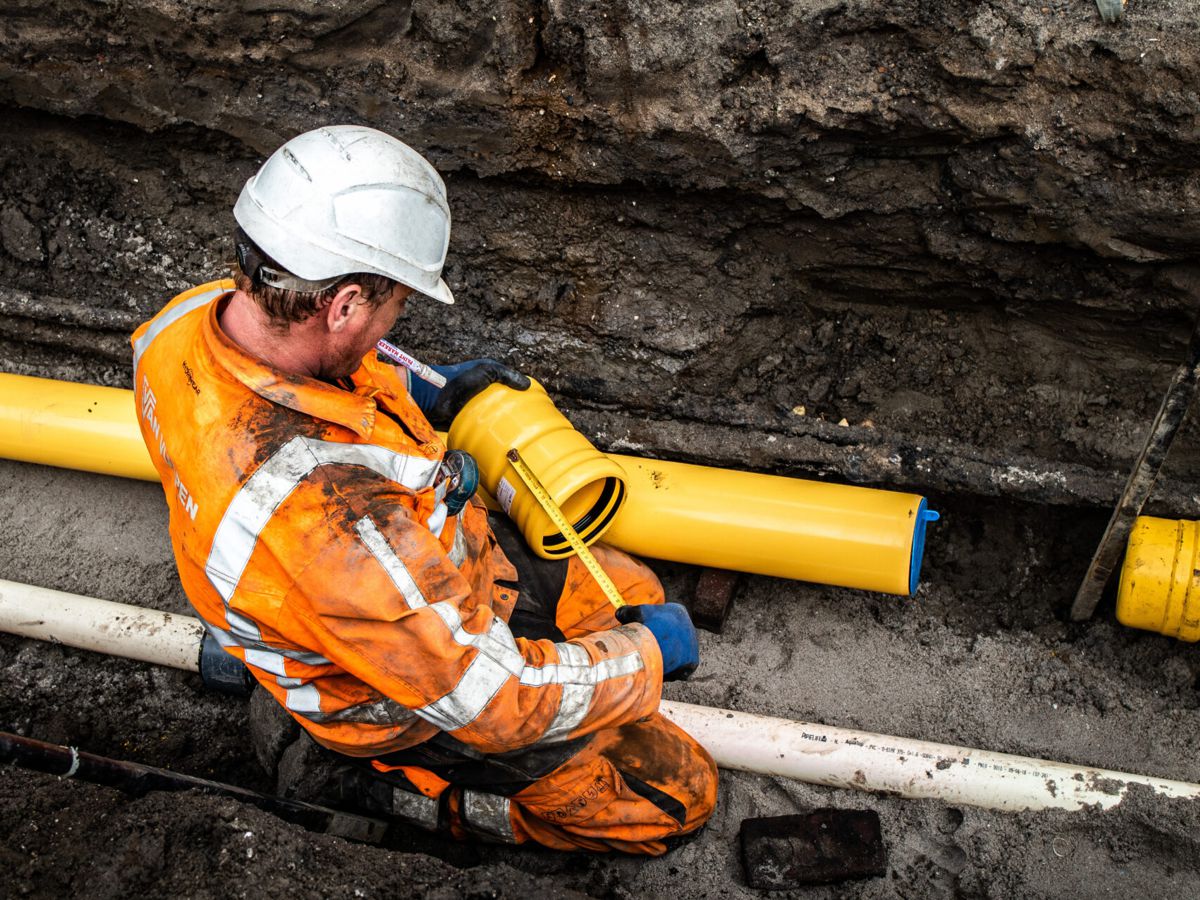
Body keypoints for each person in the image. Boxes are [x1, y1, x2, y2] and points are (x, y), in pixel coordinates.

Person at [130, 124, 717, 854]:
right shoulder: (328, 525)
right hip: (387, 690)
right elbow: (492, 700)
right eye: (394, 306)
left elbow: (322, 388)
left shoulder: (189, 325)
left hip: (403, 572)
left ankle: (267, 664)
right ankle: (374, 788)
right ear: (342, 304)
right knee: (669, 794)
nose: (391, 327)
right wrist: (645, 661)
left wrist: (426, 391)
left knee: (632, 594)